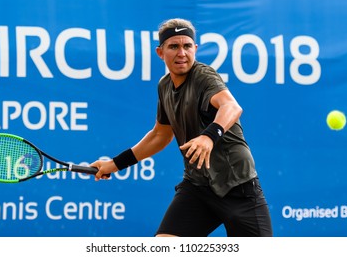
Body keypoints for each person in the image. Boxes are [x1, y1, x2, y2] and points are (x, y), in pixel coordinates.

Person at [91, 18, 273, 237]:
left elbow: (231, 106)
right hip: (197, 188)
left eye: (187, 46)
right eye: (173, 46)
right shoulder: (164, 85)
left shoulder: (204, 76)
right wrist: (115, 164)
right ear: (160, 52)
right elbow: (160, 135)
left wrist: (208, 137)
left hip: (238, 187)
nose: (182, 53)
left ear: (195, 49)